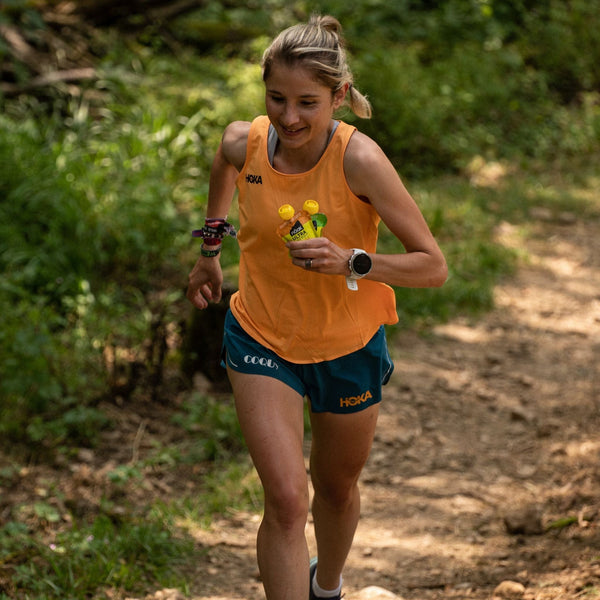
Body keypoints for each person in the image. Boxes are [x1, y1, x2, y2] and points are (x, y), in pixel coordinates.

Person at [187, 14, 447, 600]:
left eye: (307, 102)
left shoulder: (361, 160)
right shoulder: (247, 142)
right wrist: (209, 251)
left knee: (334, 489)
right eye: (276, 99)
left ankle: (325, 586)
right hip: (260, 335)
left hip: (347, 346)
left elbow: (433, 266)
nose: (289, 118)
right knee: (285, 500)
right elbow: (224, 161)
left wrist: (352, 260)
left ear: (339, 96)